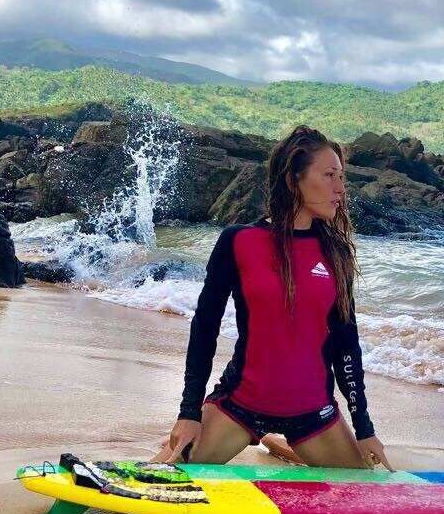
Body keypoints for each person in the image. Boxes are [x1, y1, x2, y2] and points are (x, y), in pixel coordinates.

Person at [153, 125, 394, 471]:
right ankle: (270, 441)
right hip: (240, 404)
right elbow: (205, 327)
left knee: (364, 492)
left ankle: (283, 446)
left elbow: (346, 344)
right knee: (161, 476)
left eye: (341, 177)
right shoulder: (238, 242)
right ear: (294, 179)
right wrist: (189, 413)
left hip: (314, 413)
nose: (340, 189)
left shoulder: (335, 251)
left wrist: (364, 428)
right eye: (329, 176)